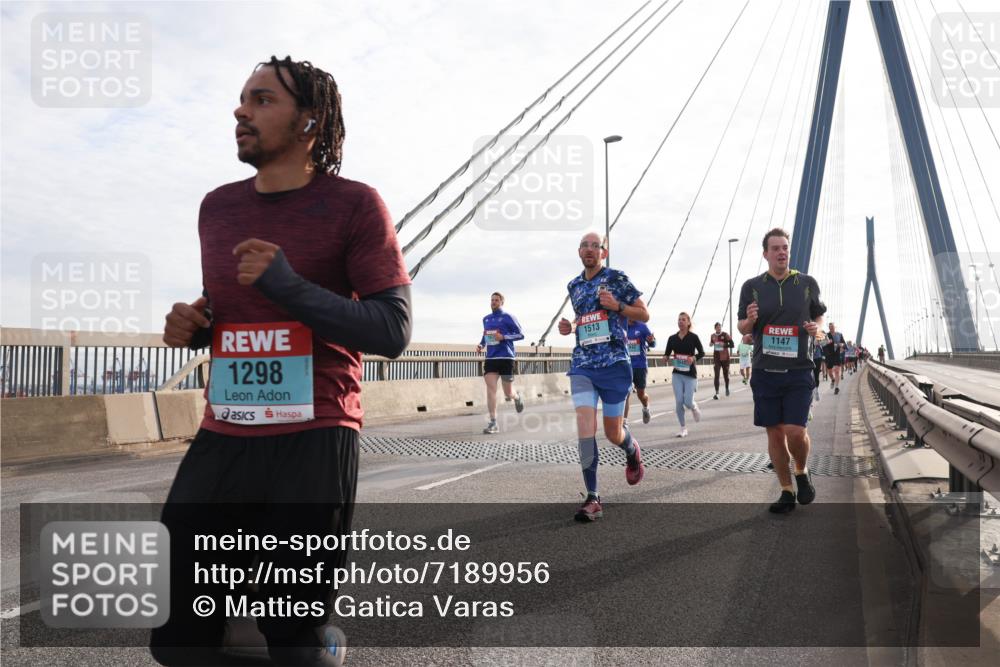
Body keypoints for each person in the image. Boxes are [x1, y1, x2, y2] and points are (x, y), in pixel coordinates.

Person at [152, 56, 412, 667]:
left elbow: (393, 330)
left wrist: (290, 286)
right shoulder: (216, 207)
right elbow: (233, 304)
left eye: (263, 99)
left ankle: (317, 641)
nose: (241, 110)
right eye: (242, 99)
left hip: (315, 433)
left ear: (309, 124)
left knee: (292, 643)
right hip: (224, 434)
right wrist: (197, 325)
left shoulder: (355, 205)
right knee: (177, 641)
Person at [558, 232, 649, 522]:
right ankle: (593, 496)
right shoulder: (573, 285)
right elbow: (584, 318)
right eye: (584, 245)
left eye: (595, 246)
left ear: (603, 253)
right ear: (578, 251)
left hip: (614, 364)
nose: (589, 250)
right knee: (585, 429)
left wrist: (618, 306)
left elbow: (644, 314)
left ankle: (631, 449)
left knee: (613, 433)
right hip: (583, 364)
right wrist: (569, 327)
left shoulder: (617, 279)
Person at [738, 227, 826, 514]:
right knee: (775, 434)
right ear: (765, 254)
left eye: (785, 247)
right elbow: (742, 327)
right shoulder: (752, 286)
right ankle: (786, 490)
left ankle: (801, 470)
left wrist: (818, 329)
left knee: (794, 430)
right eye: (775, 248)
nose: (781, 252)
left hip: (799, 369)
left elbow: (819, 314)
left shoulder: (807, 283)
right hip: (765, 371)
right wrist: (750, 321)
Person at [476, 292, 525, 434]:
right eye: (492, 300)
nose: (493, 302)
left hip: (506, 357)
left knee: (508, 392)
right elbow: (485, 336)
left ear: (502, 302)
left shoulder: (508, 317)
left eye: (496, 300)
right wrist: (481, 345)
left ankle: (517, 397)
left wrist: (503, 337)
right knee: (491, 390)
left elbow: (521, 334)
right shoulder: (486, 319)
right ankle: (493, 422)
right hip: (491, 358)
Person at [664, 312, 705, 438]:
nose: (680, 322)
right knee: (679, 401)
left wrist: (693, 358)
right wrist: (665, 357)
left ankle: (693, 407)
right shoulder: (672, 338)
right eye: (679, 320)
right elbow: (667, 353)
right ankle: (683, 428)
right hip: (677, 374)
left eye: (683, 320)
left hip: (690, 374)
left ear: (688, 323)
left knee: (687, 401)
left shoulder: (694, 337)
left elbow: (702, 353)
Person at [624, 317, 656, 425]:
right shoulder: (620, 325)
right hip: (625, 365)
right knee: (625, 393)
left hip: (640, 366)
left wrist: (651, 341)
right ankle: (624, 423)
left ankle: (646, 407)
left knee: (640, 394)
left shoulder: (642, 326)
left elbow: (652, 344)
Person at [709, 322, 734, 399]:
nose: (719, 328)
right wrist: (711, 344)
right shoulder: (712, 336)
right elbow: (711, 343)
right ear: (715, 328)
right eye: (717, 327)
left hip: (725, 358)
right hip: (716, 358)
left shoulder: (725, 334)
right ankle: (717, 393)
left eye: (720, 327)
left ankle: (727, 388)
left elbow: (732, 345)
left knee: (725, 375)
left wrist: (724, 345)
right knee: (716, 375)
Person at [823, 322, 845, 395]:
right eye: (830, 327)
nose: (831, 328)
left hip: (837, 354)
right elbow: (822, 344)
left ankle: (837, 387)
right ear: (829, 328)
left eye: (832, 327)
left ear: (835, 327)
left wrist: (842, 344)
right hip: (829, 355)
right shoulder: (826, 335)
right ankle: (832, 379)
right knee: (829, 372)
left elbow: (843, 344)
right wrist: (827, 342)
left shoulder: (839, 335)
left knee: (837, 371)